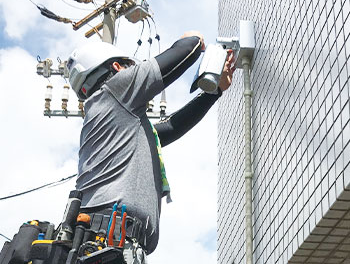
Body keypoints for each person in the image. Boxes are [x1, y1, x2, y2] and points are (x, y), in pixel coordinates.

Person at [67, 31, 234, 263]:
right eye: (130, 67)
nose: (135, 72)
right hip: (105, 238)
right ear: (116, 67)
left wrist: (214, 92)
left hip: (109, 243)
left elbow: (170, 128)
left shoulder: (116, 114)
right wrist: (194, 40)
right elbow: (185, 50)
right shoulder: (117, 88)